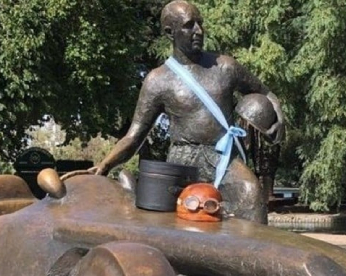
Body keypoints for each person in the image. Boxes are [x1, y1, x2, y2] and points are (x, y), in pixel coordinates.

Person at [91, 0, 285, 223]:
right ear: (169, 32)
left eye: (200, 24)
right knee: (170, 218)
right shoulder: (157, 80)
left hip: (222, 157)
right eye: (189, 25)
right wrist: (105, 165)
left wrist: (277, 120)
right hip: (183, 160)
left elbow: (266, 93)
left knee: (251, 195)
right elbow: (134, 136)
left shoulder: (225, 66)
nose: (198, 31)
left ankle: (253, 256)